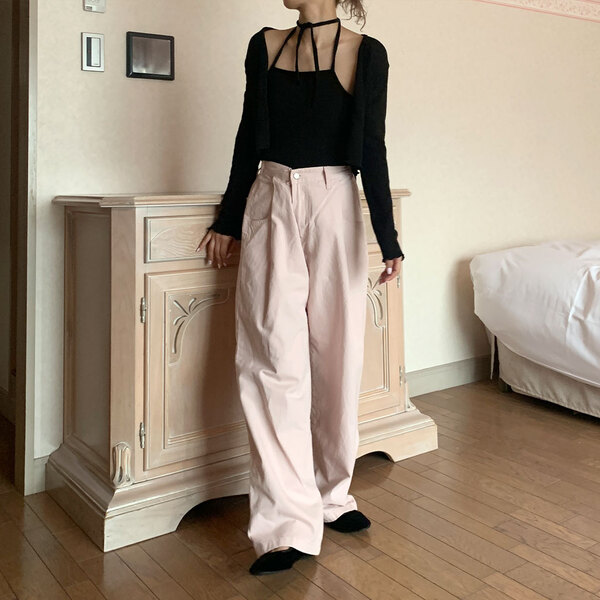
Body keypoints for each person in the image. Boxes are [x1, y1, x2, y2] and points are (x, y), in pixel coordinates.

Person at [196, 0, 404, 576]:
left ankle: (331, 494)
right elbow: (247, 136)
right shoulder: (264, 45)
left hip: (335, 201)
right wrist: (228, 218)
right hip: (270, 196)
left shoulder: (367, 54)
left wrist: (388, 238)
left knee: (338, 355)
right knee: (270, 359)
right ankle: (284, 526)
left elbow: (372, 147)